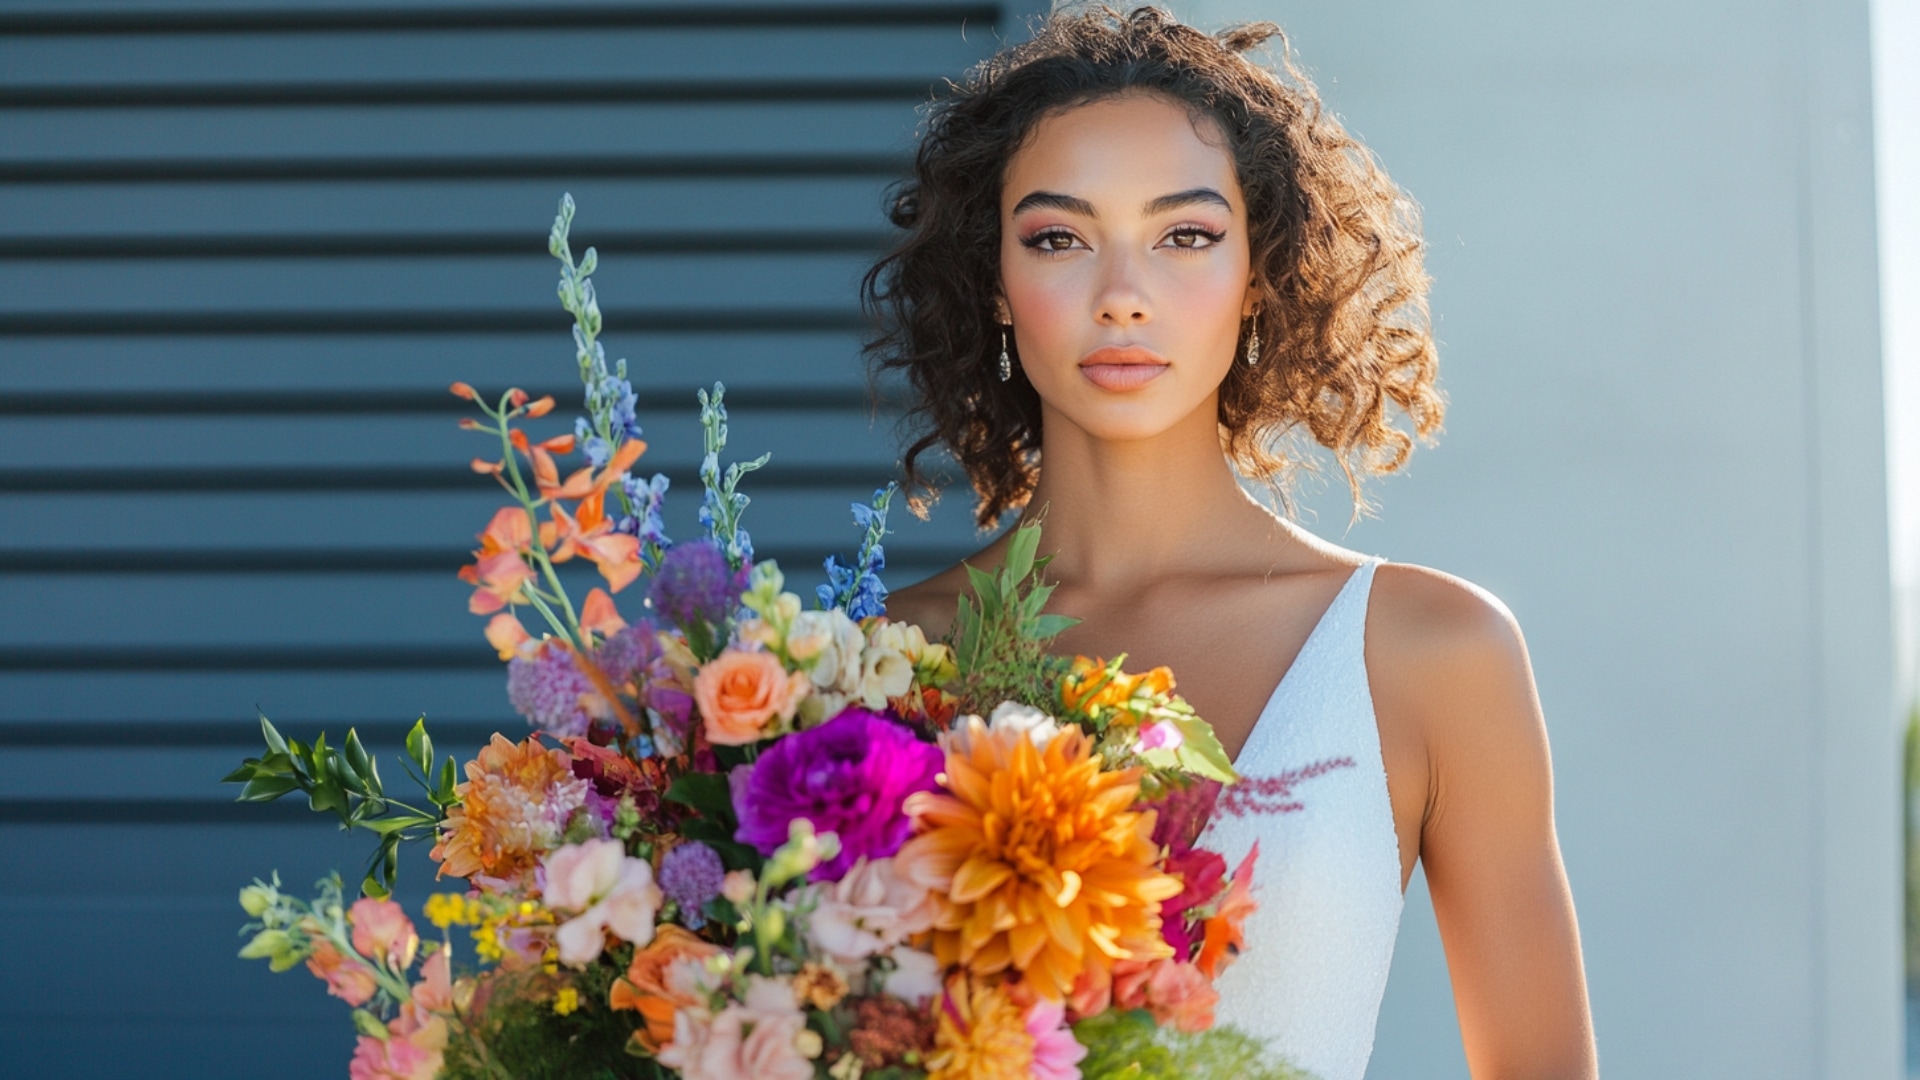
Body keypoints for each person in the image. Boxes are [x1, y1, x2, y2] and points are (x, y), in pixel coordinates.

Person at [872, 8, 1597, 1079]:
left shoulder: (1431, 654)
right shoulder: (881, 661)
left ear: (1259, 275)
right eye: (1059, 238)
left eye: (1186, 236)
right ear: (995, 286)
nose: (1122, 298)